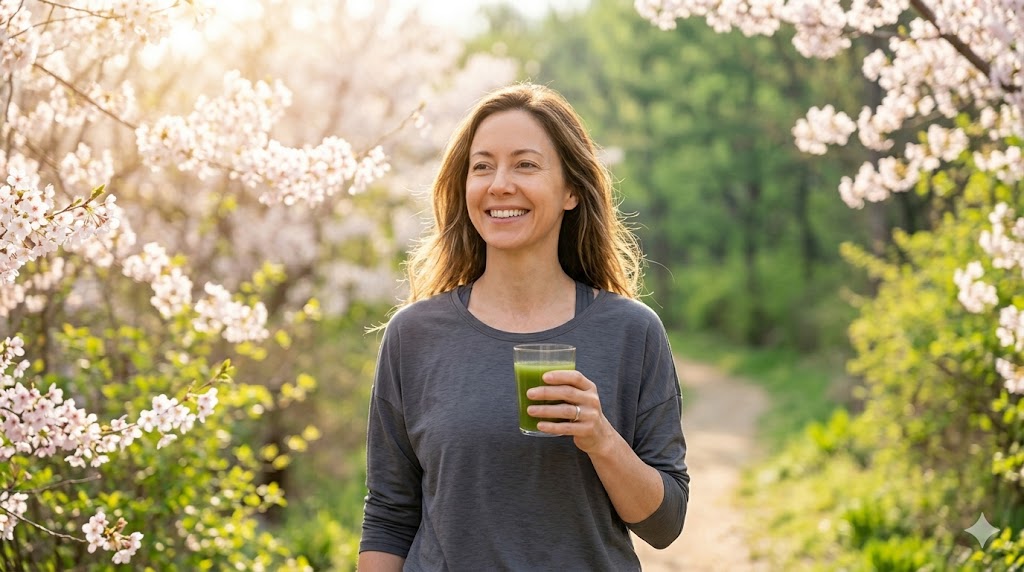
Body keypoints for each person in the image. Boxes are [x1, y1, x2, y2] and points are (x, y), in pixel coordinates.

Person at [358, 82, 689, 571]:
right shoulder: (413, 335)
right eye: (482, 166)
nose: (499, 185)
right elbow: (388, 514)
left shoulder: (632, 332)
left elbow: (665, 525)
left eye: (526, 164)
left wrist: (601, 439)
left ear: (571, 190)